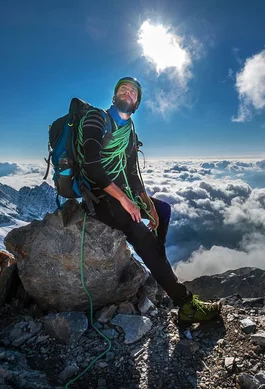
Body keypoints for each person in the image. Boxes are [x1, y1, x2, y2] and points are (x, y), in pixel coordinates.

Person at [78, 76, 221, 324]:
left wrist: (149, 206)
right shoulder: (95, 118)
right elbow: (91, 166)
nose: (127, 93)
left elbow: (132, 174)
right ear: (114, 96)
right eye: (122, 89)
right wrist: (125, 200)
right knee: (140, 233)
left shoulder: (130, 132)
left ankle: (158, 265)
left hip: (122, 193)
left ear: (137, 103)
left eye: (133, 92)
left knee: (163, 211)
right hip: (99, 196)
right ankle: (185, 304)